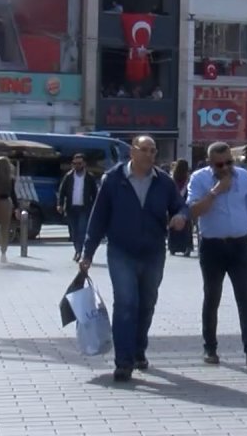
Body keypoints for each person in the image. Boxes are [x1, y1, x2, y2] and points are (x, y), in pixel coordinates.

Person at [79, 135, 187, 383]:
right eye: (145, 150)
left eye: (153, 150)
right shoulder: (113, 180)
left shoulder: (164, 182)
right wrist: (87, 254)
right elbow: (98, 219)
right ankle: (123, 362)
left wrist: (181, 216)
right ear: (132, 153)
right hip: (121, 251)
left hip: (153, 251)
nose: (150, 155)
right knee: (126, 304)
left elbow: (181, 206)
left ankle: (139, 350)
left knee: (147, 303)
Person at [186, 141, 247, 370]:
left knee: (245, 298)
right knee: (212, 297)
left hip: (240, 245)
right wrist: (215, 192)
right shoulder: (199, 179)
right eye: (219, 164)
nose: (225, 168)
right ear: (209, 162)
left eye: (229, 162)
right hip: (213, 246)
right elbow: (193, 211)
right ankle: (210, 347)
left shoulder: (243, 177)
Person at [57, 153, 98, 263]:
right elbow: (62, 191)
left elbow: (95, 194)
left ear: (84, 164)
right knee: (74, 232)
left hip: (84, 208)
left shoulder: (89, 177)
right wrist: (60, 204)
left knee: (82, 230)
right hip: (71, 208)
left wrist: (96, 208)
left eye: (79, 163)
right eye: (74, 163)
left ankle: (80, 252)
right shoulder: (69, 176)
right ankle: (77, 250)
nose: (77, 166)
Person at [168, 159, 194, 257]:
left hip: (174, 204)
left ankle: (173, 247)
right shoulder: (188, 179)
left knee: (173, 225)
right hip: (185, 204)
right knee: (187, 226)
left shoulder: (172, 177)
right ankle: (187, 246)